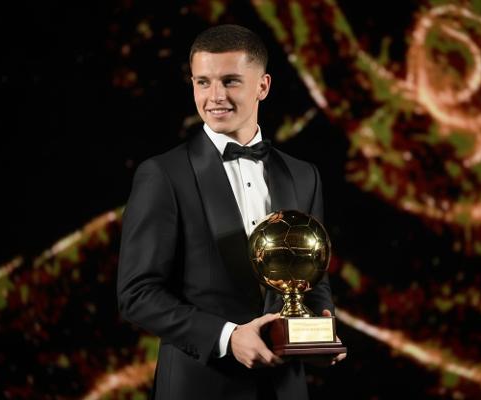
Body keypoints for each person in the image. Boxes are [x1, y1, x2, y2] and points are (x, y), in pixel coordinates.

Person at [117, 24, 345, 400]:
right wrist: (227, 337)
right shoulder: (163, 174)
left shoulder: (305, 175)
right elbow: (137, 293)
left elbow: (314, 279)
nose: (215, 97)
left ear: (263, 86)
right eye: (203, 82)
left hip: (284, 388)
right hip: (200, 387)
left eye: (230, 81)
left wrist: (322, 329)